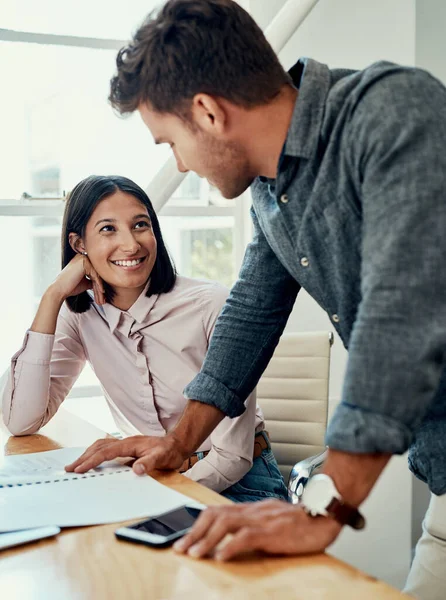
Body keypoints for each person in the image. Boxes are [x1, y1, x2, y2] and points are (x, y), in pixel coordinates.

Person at [65, 1, 446, 596]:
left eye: (169, 143)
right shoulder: (271, 193)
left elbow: (402, 317)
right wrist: (179, 441)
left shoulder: (393, 112)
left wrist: (324, 509)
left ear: (209, 112)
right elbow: (251, 311)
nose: (181, 165)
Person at [1, 173, 287, 503]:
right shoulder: (80, 315)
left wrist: (156, 500)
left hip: (240, 481)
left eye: (140, 225)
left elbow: (232, 458)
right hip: (151, 476)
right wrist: (53, 296)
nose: (131, 244)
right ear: (80, 245)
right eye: (108, 229)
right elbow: (21, 421)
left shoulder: (212, 305)